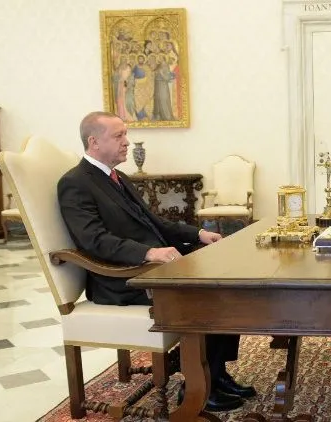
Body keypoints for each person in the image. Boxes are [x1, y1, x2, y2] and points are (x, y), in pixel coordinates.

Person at [57, 111, 255, 412]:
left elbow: (156, 223)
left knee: (227, 277)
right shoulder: (75, 183)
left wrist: (199, 233)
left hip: (155, 266)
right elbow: (93, 240)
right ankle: (197, 387)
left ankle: (216, 373)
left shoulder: (117, 176)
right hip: (121, 278)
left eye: (125, 134)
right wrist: (149, 253)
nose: (126, 142)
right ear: (94, 141)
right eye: (119, 136)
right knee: (209, 293)